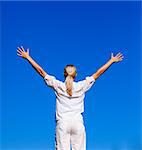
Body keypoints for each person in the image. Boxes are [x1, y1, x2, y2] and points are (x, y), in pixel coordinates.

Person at [17, 46, 123, 150]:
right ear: (76, 74)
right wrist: (111, 61)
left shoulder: (58, 86)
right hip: (78, 124)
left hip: (63, 124)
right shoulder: (82, 85)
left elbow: (41, 72)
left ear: (64, 74)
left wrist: (28, 57)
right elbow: (98, 73)